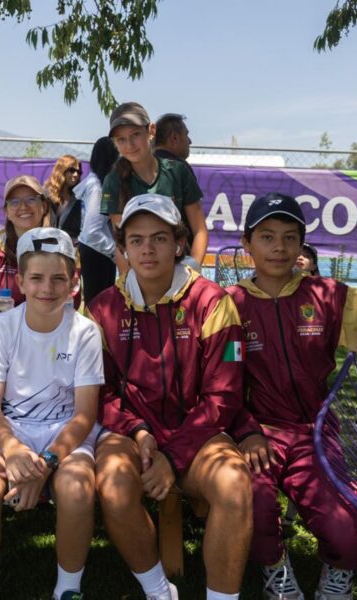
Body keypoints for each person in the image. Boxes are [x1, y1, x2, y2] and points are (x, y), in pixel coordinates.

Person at [226, 193, 357, 600]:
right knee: (251, 506)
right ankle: (274, 567)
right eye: (267, 236)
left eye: (290, 237)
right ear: (247, 243)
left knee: (345, 532)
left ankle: (337, 573)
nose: (279, 247)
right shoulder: (227, 305)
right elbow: (219, 385)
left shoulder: (329, 296)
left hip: (314, 433)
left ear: (302, 246)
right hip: (255, 434)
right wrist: (245, 430)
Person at [88, 194, 252, 600]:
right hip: (132, 433)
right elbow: (98, 392)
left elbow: (223, 397)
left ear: (179, 243)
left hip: (197, 434)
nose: (147, 249)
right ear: (122, 246)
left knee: (233, 485)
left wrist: (172, 456)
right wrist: (139, 431)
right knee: (112, 484)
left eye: (159, 238)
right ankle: (160, 592)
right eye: (137, 239)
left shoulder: (212, 301)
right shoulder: (101, 308)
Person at [0, 228, 104, 600]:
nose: (47, 288)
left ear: (74, 282)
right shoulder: (0, 327)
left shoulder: (86, 332)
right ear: (20, 281)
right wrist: (12, 448)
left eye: (59, 278)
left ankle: (68, 589)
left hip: (64, 434)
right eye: (36, 278)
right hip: (9, 432)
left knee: (75, 490)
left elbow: (85, 414)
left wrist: (47, 461)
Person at [101, 102, 209, 272]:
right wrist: (129, 284)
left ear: (151, 131)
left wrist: (192, 269)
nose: (129, 145)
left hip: (179, 269)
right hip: (140, 273)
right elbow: (122, 243)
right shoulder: (113, 181)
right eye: (121, 139)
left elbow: (200, 230)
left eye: (135, 134)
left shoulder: (178, 171)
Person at [0, 175, 51, 306]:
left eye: (31, 199)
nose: (23, 207)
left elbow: (71, 299)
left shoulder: (61, 247)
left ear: (43, 206)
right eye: (14, 202)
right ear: (6, 212)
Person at [75, 136, 120, 304]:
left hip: (97, 251)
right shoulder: (97, 188)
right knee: (99, 305)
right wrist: (115, 252)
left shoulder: (95, 182)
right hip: (97, 253)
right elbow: (92, 231)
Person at [45, 155, 84, 241]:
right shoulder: (47, 194)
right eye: (72, 170)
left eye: (79, 172)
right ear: (62, 170)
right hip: (50, 243)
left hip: (72, 245)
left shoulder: (78, 196)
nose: (76, 175)